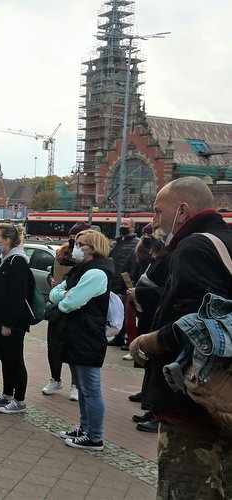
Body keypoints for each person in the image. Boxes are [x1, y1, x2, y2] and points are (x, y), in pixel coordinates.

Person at [129, 177, 232, 498]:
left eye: (159, 212)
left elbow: (197, 323)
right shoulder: (224, 239)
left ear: (183, 209)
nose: (154, 221)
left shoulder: (195, 246)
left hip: (195, 407)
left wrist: (148, 343)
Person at [50, 229, 114, 451]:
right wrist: (66, 294)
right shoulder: (82, 269)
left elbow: (70, 302)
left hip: (87, 335)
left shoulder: (96, 273)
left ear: (94, 248)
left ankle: (94, 436)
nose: (76, 248)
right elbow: (57, 292)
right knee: (84, 387)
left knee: (90, 389)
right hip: (77, 333)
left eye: (81, 244)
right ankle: (84, 428)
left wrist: (66, 295)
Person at [0, 223, 34, 415]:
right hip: (2, 320)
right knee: (5, 357)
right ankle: (7, 393)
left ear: (7, 240)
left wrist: (8, 323)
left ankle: (19, 400)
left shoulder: (17, 261)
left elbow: (16, 295)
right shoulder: (7, 258)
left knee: (14, 359)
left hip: (14, 323)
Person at [127, 234, 170, 432]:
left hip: (158, 318)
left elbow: (163, 292)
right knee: (150, 362)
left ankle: (155, 411)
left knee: (157, 364)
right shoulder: (158, 261)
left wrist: (140, 293)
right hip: (150, 316)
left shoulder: (168, 261)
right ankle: (148, 399)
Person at [43, 238, 79, 401]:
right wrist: (52, 280)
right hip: (56, 309)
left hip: (73, 308)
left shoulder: (84, 262)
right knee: (54, 347)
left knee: (72, 348)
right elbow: (52, 273)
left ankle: (76, 385)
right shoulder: (59, 255)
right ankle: (55, 379)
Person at [107, 218, 139, 348]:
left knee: (127, 314)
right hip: (114, 282)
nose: (122, 226)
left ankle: (127, 339)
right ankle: (119, 337)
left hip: (126, 284)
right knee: (117, 312)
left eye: (125, 224)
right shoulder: (118, 243)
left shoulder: (137, 244)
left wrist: (124, 287)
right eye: (121, 224)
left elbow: (133, 267)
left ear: (132, 227)